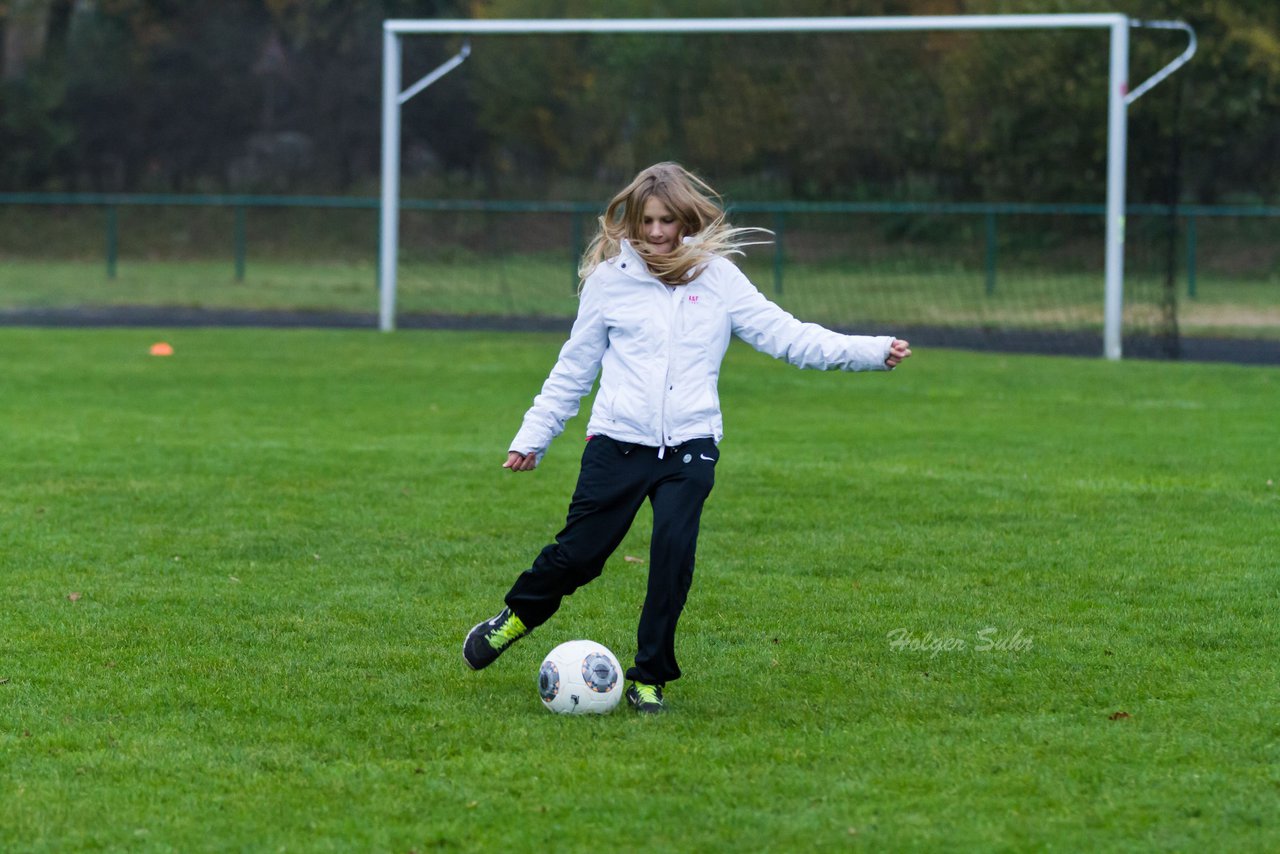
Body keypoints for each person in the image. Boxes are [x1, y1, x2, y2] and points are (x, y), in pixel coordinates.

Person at [463, 162, 911, 713]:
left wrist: (871, 351)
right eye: (646, 220)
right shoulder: (610, 283)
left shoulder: (718, 279)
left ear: (686, 220)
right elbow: (573, 370)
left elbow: (787, 337)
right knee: (580, 556)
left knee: (672, 559)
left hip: (691, 447)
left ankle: (649, 679)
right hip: (616, 444)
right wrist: (534, 435)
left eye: (667, 220)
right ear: (631, 220)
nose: (655, 232)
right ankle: (517, 618)